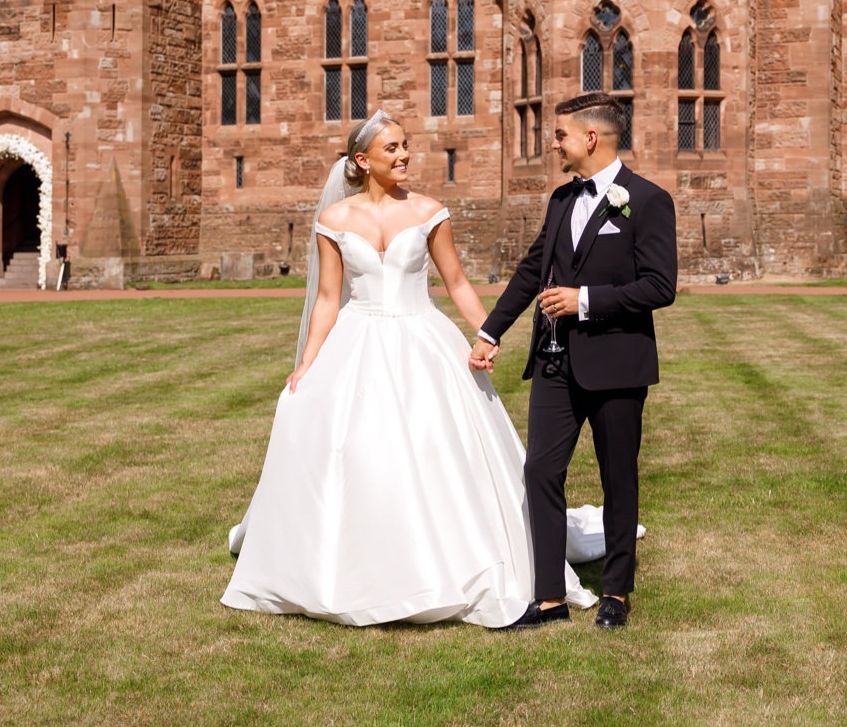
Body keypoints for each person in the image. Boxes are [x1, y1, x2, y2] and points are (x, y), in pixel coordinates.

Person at [221, 110, 596, 627]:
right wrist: (307, 363)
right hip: (358, 340)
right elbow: (328, 299)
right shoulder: (334, 220)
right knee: (352, 449)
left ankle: (454, 560)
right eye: (391, 149)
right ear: (362, 160)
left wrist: (487, 332)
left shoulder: (429, 211)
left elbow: (458, 282)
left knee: (436, 447)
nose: (403, 156)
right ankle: (353, 565)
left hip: (423, 339)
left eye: (405, 147)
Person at [470, 92, 677, 629]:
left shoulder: (648, 200)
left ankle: (616, 593)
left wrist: (584, 300)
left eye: (560, 134)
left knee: (618, 478)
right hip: (556, 362)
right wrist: (492, 332)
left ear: (591, 138)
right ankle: (548, 599)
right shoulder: (561, 200)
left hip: (617, 364)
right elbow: (532, 268)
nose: (552, 142)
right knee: (539, 469)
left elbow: (660, 286)